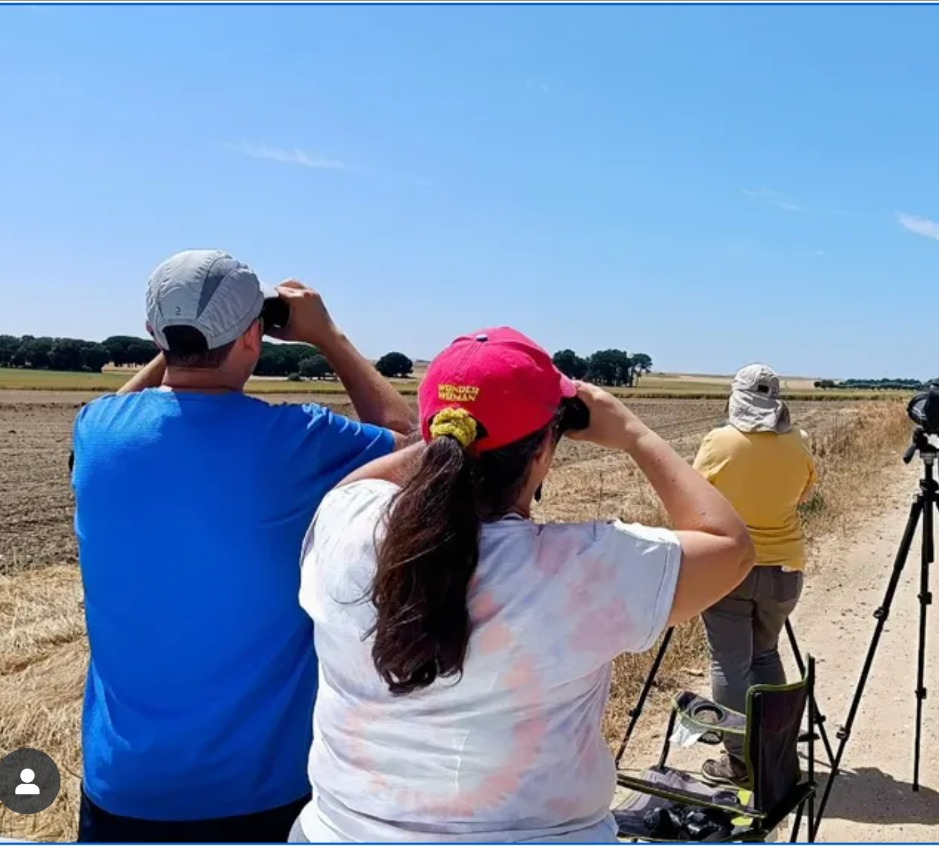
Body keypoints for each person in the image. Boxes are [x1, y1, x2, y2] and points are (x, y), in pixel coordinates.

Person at [289, 327, 756, 843]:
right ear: (542, 453)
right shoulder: (581, 569)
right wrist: (632, 433)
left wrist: (445, 440)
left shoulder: (346, 525)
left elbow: (359, 488)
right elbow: (731, 548)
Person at [69, 249, 416, 842]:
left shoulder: (99, 433)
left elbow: (118, 409)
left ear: (154, 332)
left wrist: (186, 338)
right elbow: (415, 447)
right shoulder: (296, 440)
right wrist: (328, 336)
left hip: (124, 788)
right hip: (260, 792)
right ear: (256, 334)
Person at [689, 363, 819, 786]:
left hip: (731, 565)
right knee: (765, 655)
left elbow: (694, 497)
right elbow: (803, 494)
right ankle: (773, 753)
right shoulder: (798, 442)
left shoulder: (720, 441)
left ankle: (739, 762)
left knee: (729, 662)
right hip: (786, 570)